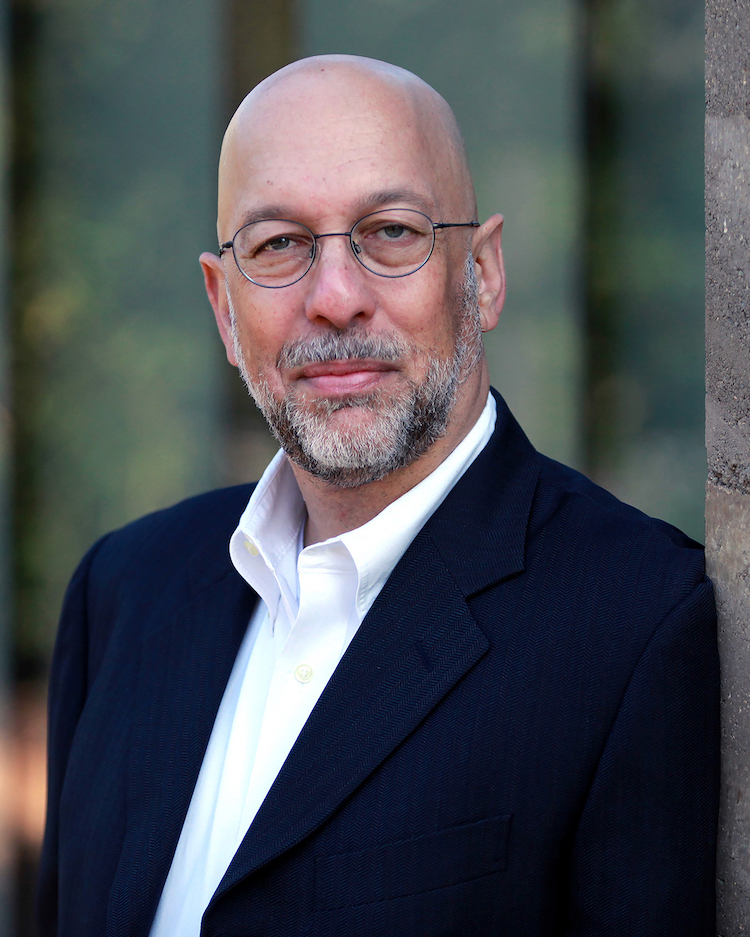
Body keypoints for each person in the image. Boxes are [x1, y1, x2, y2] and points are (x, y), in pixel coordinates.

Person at [37, 55, 719, 936]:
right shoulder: (121, 592)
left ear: (483, 273)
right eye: (279, 244)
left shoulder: (636, 623)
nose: (335, 298)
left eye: (391, 231)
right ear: (223, 308)